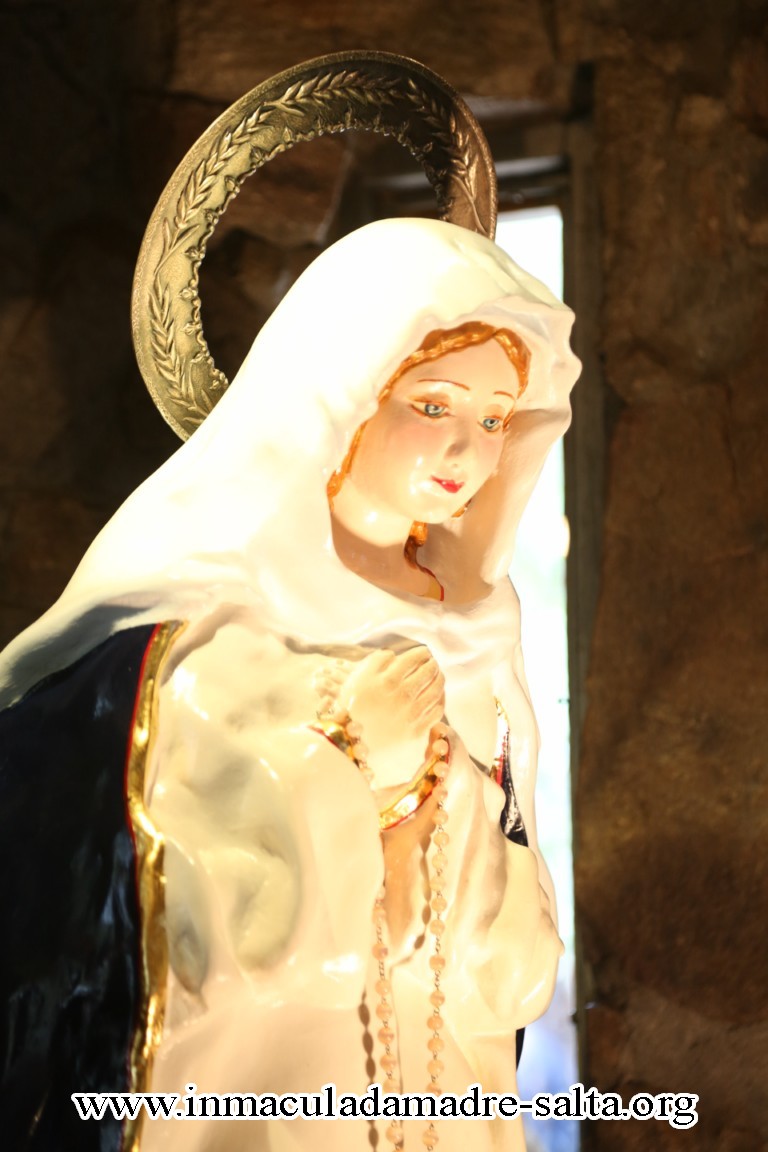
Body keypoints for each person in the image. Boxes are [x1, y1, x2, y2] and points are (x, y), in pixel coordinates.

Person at [0, 216, 580, 1152]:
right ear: (341, 394)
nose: (468, 451)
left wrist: (436, 803)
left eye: (494, 419)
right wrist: (344, 765)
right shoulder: (210, 611)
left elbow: (516, 957)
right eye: (432, 405)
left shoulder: (478, 626)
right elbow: (152, 886)